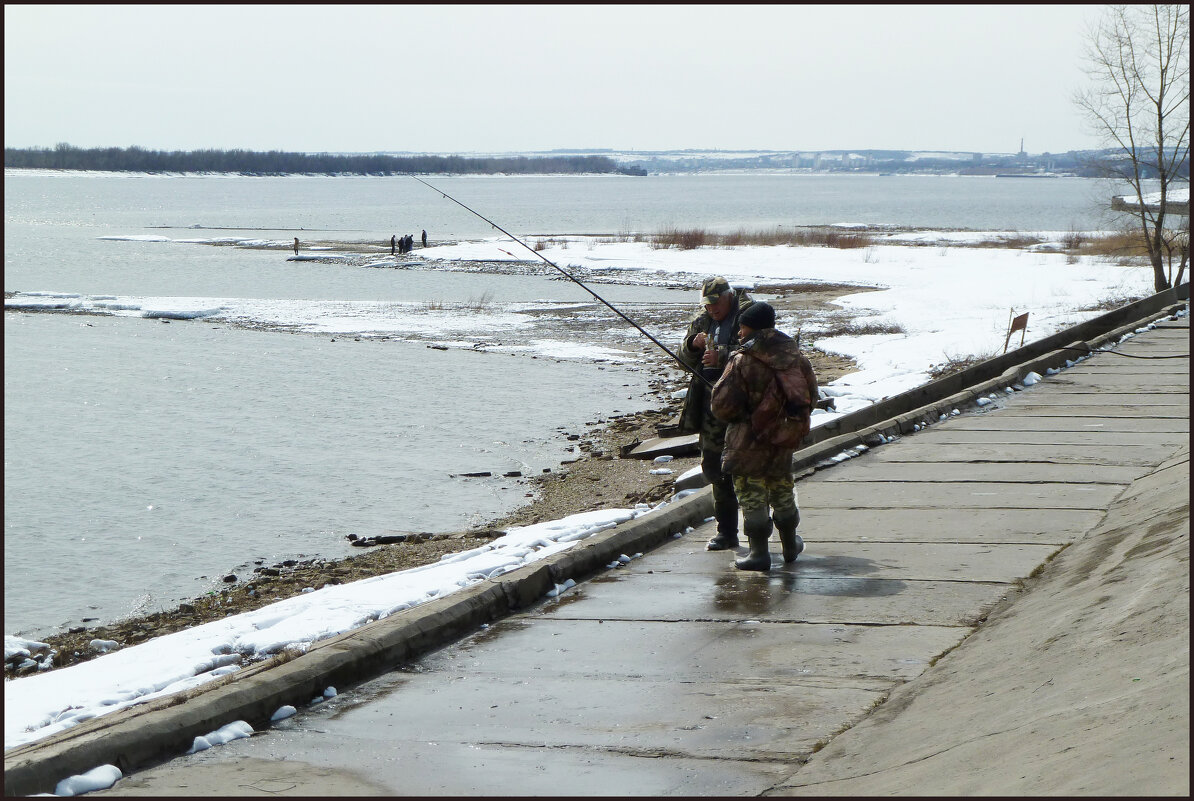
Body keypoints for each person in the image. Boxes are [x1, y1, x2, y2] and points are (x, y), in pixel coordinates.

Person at [710, 301, 818, 571]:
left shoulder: (742, 361)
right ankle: (790, 543)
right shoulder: (797, 358)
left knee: (751, 495)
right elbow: (810, 398)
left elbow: (722, 407)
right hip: (782, 441)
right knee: (782, 491)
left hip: (747, 443)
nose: (739, 333)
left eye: (742, 327)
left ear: (752, 328)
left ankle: (758, 554)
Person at [677, 276, 755, 551]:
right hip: (711, 405)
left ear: (729, 297)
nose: (712, 310)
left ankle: (759, 532)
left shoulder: (748, 313)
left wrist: (722, 356)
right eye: (707, 305)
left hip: (743, 405)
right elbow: (682, 359)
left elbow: (759, 351)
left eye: (716, 304)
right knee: (713, 465)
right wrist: (692, 347)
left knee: (745, 468)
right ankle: (727, 531)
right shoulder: (702, 320)